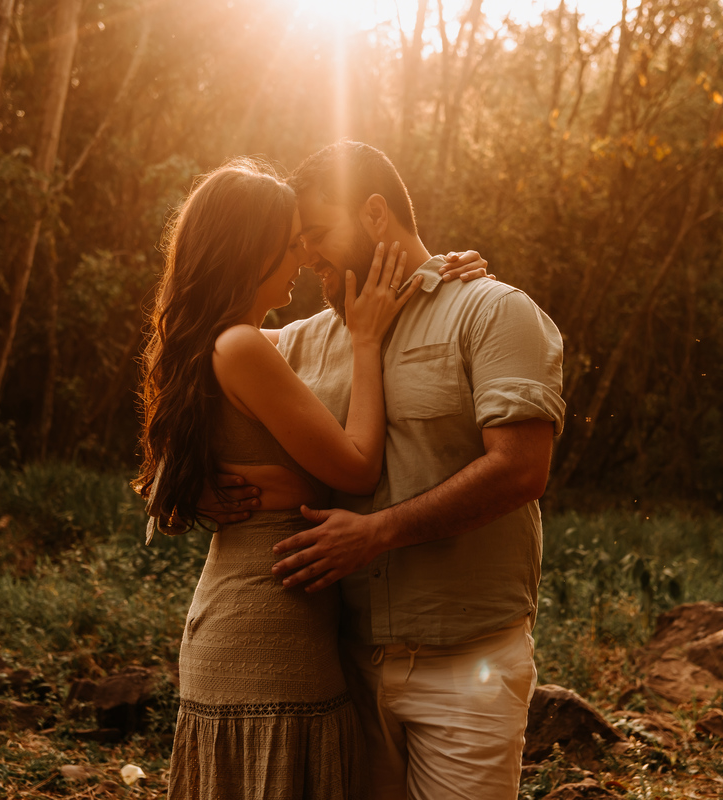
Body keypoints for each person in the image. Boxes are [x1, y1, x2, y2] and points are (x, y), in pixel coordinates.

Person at [134, 156, 486, 799]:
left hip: (250, 625)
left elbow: (167, 466)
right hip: (270, 635)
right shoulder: (243, 347)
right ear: (250, 249)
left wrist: (439, 271)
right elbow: (357, 466)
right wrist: (366, 342)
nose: (301, 255)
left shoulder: (237, 344)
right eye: (289, 241)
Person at [262, 141, 565, 800]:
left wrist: (376, 534)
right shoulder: (301, 342)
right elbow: (196, 347)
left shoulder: (492, 312)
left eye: (316, 233)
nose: (307, 254)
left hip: (468, 671)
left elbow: (520, 471)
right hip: (338, 669)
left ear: (375, 215)